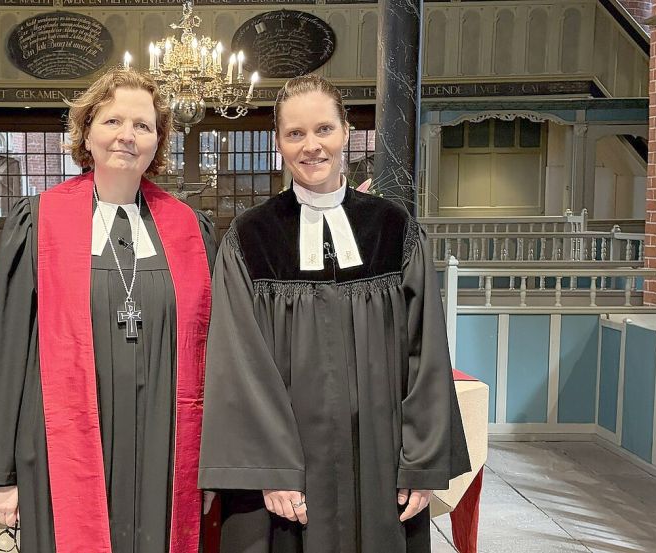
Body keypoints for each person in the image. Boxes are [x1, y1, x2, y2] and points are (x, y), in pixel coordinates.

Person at [198, 74, 470, 553]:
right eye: (295, 133)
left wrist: (421, 463)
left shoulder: (393, 230)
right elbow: (238, 363)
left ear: (346, 130)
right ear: (278, 142)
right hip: (287, 474)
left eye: (323, 129)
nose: (311, 146)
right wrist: (273, 470)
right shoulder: (250, 238)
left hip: (380, 459)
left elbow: (425, 351)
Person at [0, 67, 216, 553]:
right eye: (112, 121)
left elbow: (213, 355)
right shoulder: (40, 221)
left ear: (158, 142)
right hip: (61, 445)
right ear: (86, 132)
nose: (127, 135)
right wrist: (0, 473)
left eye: (142, 125)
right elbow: (6, 349)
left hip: (164, 446)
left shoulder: (191, 229)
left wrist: (211, 464)